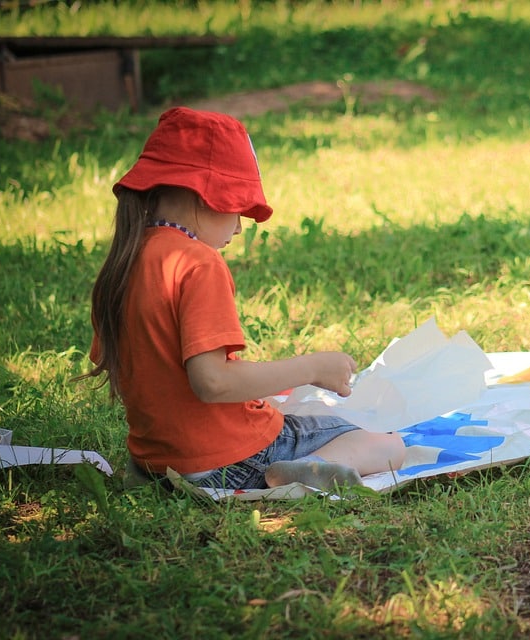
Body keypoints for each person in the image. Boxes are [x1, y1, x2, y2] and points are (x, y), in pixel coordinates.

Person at [78, 106, 405, 492]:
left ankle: (291, 466)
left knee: (296, 414)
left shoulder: (124, 261)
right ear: (202, 195)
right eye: (236, 206)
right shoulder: (198, 263)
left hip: (156, 465)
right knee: (387, 443)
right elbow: (212, 382)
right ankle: (310, 469)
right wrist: (313, 368)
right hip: (228, 461)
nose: (238, 225)